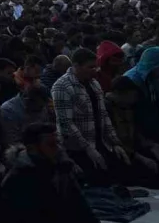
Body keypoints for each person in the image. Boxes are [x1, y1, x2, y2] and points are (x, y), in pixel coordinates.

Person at [1, 122, 103, 223]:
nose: (58, 148)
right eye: (51, 144)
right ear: (32, 149)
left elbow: (82, 210)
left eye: (57, 143)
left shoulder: (62, 169)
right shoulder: (16, 181)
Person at [51, 48, 129, 186]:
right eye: (90, 67)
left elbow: (103, 115)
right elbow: (66, 123)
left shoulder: (94, 83)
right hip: (77, 147)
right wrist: (88, 148)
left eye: (96, 66)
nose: (95, 70)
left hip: (100, 141)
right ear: (76, 66)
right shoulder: (62, 86)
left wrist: (115, 142)